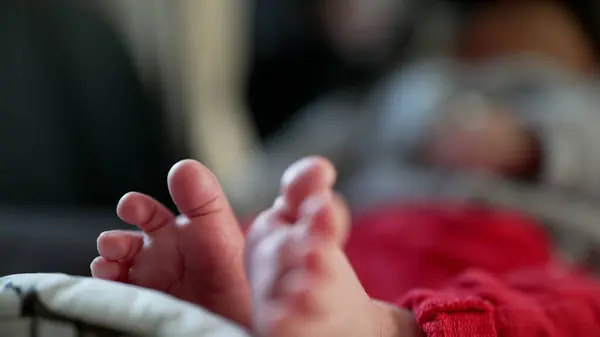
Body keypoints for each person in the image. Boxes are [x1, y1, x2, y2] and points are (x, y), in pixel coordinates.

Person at [90, 157, 600, 337]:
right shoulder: (393, 94)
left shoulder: (567, 103)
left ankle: (380, 330)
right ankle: (234, 289)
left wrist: (534, 141)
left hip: (497, 253)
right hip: (337, 236)